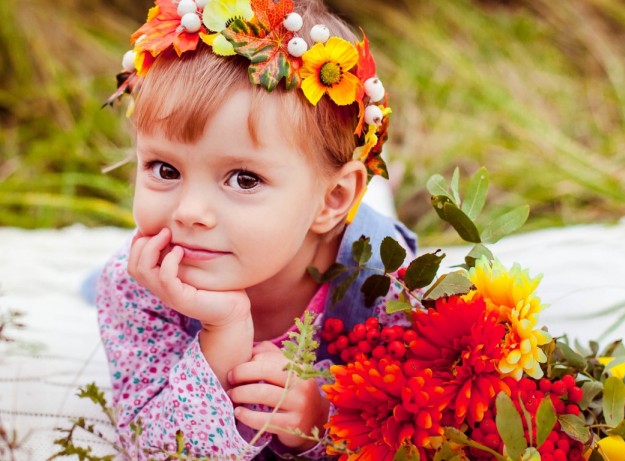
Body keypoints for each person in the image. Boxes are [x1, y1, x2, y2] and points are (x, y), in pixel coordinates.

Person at [96, 0, 414, 459]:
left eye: (245, 179)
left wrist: (325, 417)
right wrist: (222, 330)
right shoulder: (138, 286)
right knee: (97, 279)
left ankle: (377, 197)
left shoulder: (386, 288)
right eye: (165, 169)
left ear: (332, 199)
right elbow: (160, 450)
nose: (190, 212)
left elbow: (419, 426)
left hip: (345, 243)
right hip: (197, 259)